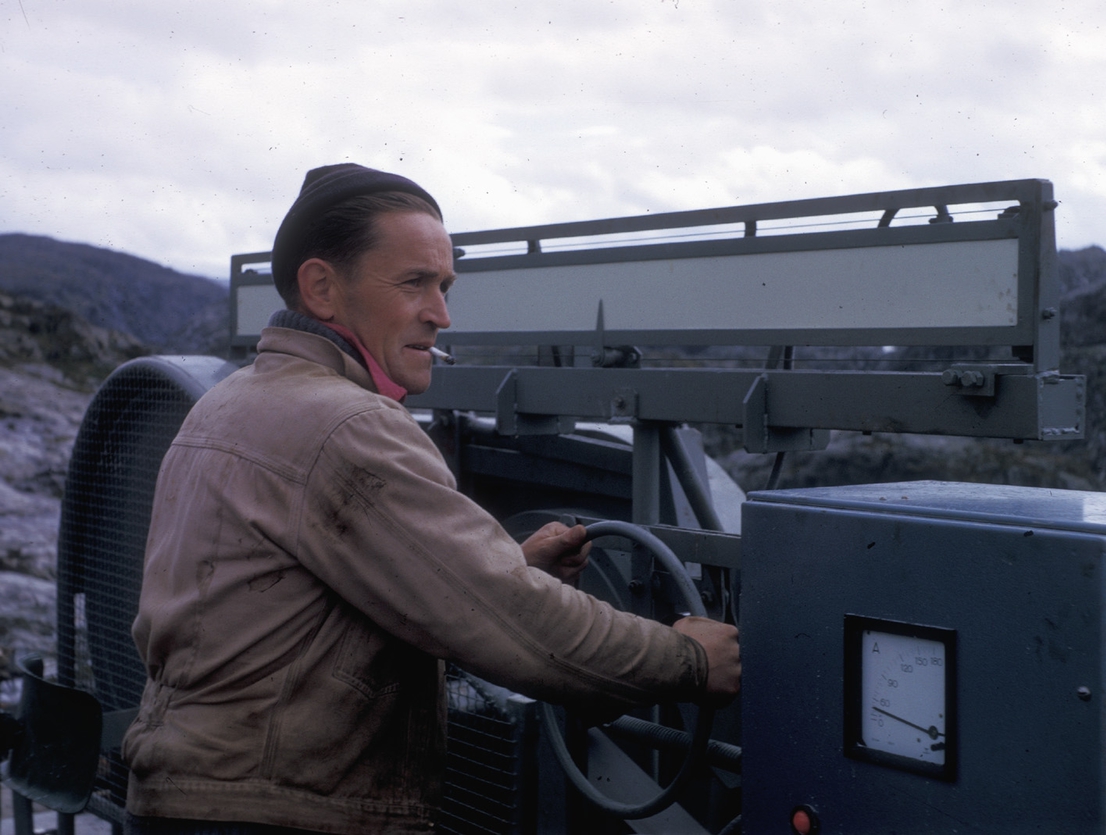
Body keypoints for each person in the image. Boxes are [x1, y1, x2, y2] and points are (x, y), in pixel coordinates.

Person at [121, 163, 740, 835]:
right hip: (276, 814)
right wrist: (690, 659)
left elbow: (307, 612)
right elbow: (515, 625)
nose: (441, 314)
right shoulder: (350, 424)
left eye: (444, 286)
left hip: (189, 799)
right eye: (415, 283)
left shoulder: (225, 404)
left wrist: (511, 568)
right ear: (322, 286)